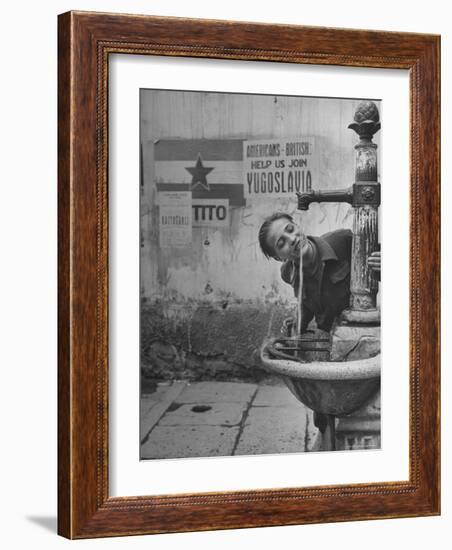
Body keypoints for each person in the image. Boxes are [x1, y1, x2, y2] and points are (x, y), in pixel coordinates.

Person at [258, 212, 380, 333]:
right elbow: (308, 301)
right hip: (329, 338)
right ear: (279, 258)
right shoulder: (288, 273)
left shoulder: (344, 241)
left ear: (298, 226)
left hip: (362, 330)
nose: (292, 239)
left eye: (290, 229)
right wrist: (298, 323)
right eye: (281, 243)